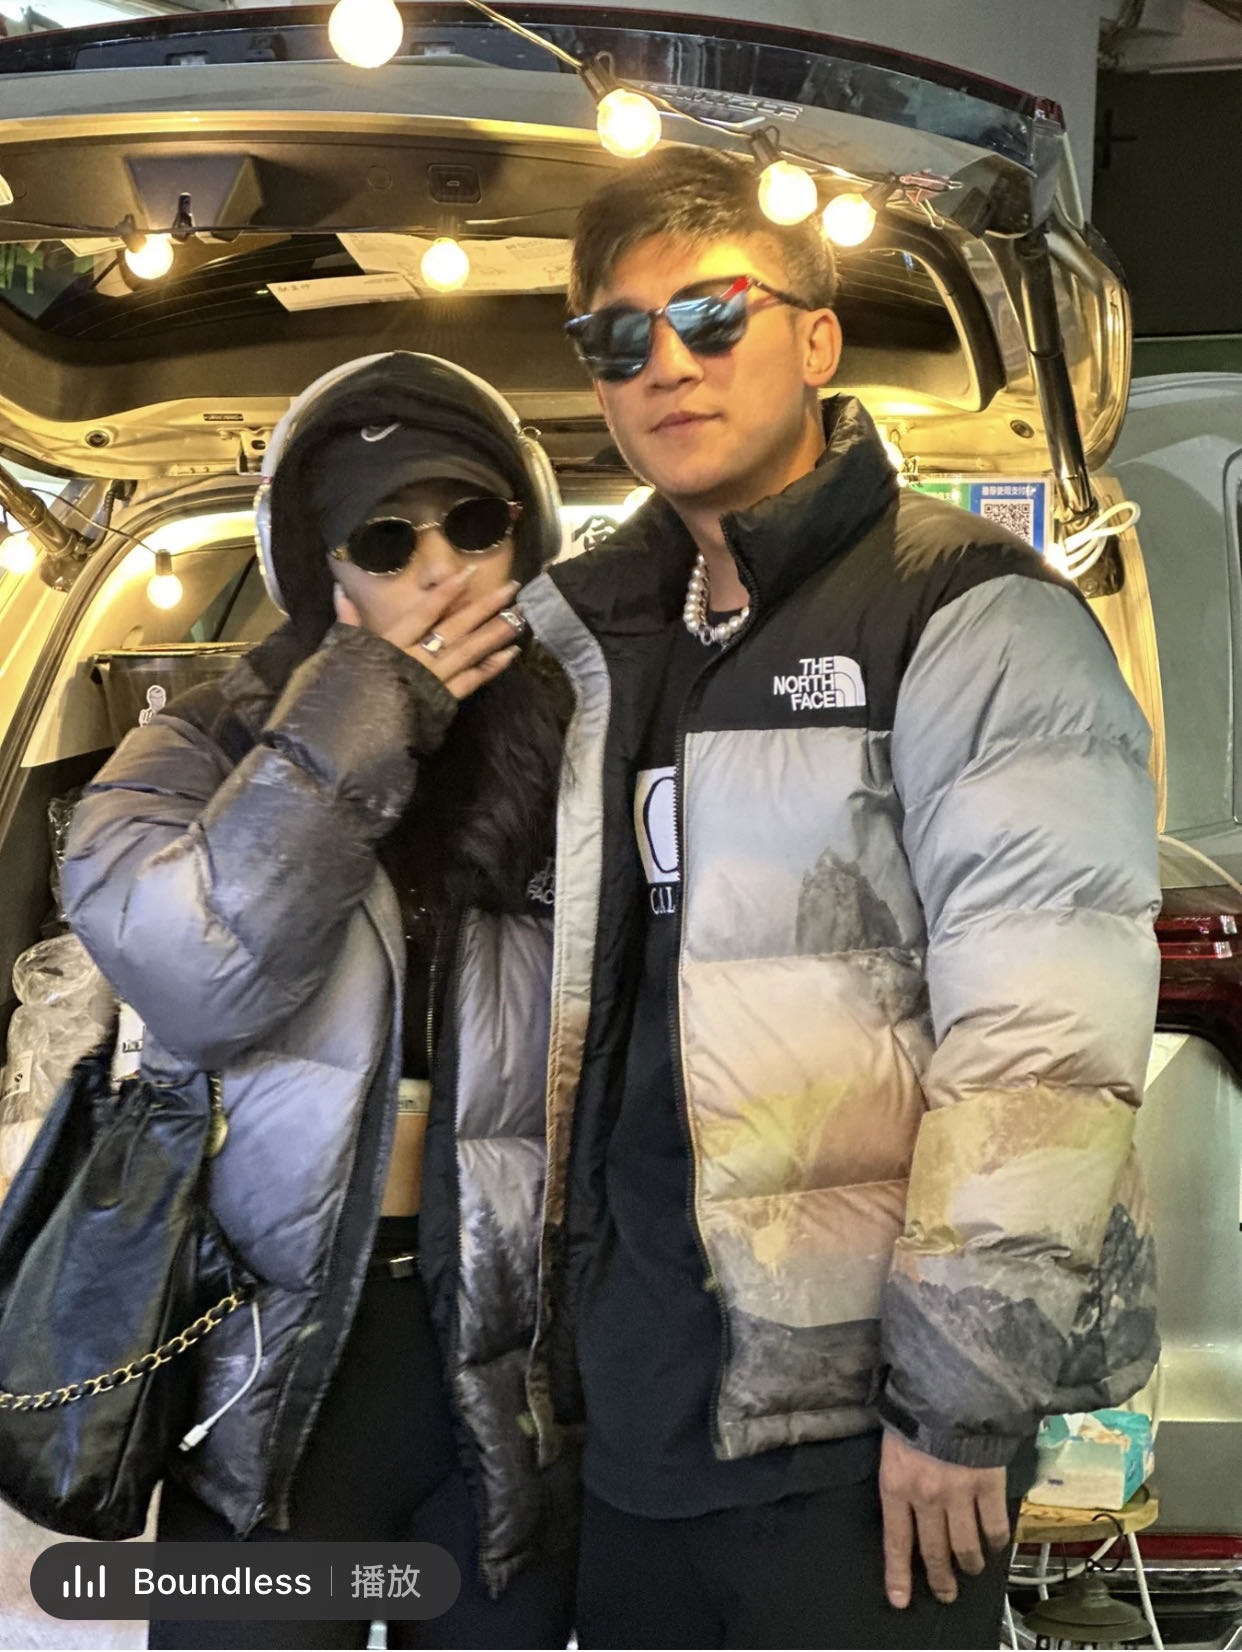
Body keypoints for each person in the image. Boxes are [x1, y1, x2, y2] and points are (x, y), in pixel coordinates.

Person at [513, 147, 1162, 1649]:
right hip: (641, 1406)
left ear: (816, 340)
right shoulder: (595, 645)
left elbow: (1043, 1040)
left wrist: (957, 1392)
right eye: (619, 336)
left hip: (862, 1437)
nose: (666, 363)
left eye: (711, 314)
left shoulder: (965, 610)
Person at [61, 352, 577, 1650]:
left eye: (474, 522)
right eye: (386, 538)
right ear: (320, 568)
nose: (438, 566)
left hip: (503, 1373)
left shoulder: (584, 755)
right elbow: (196, 974)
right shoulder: (199, 748)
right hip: (261, 1377)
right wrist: (365, 708)